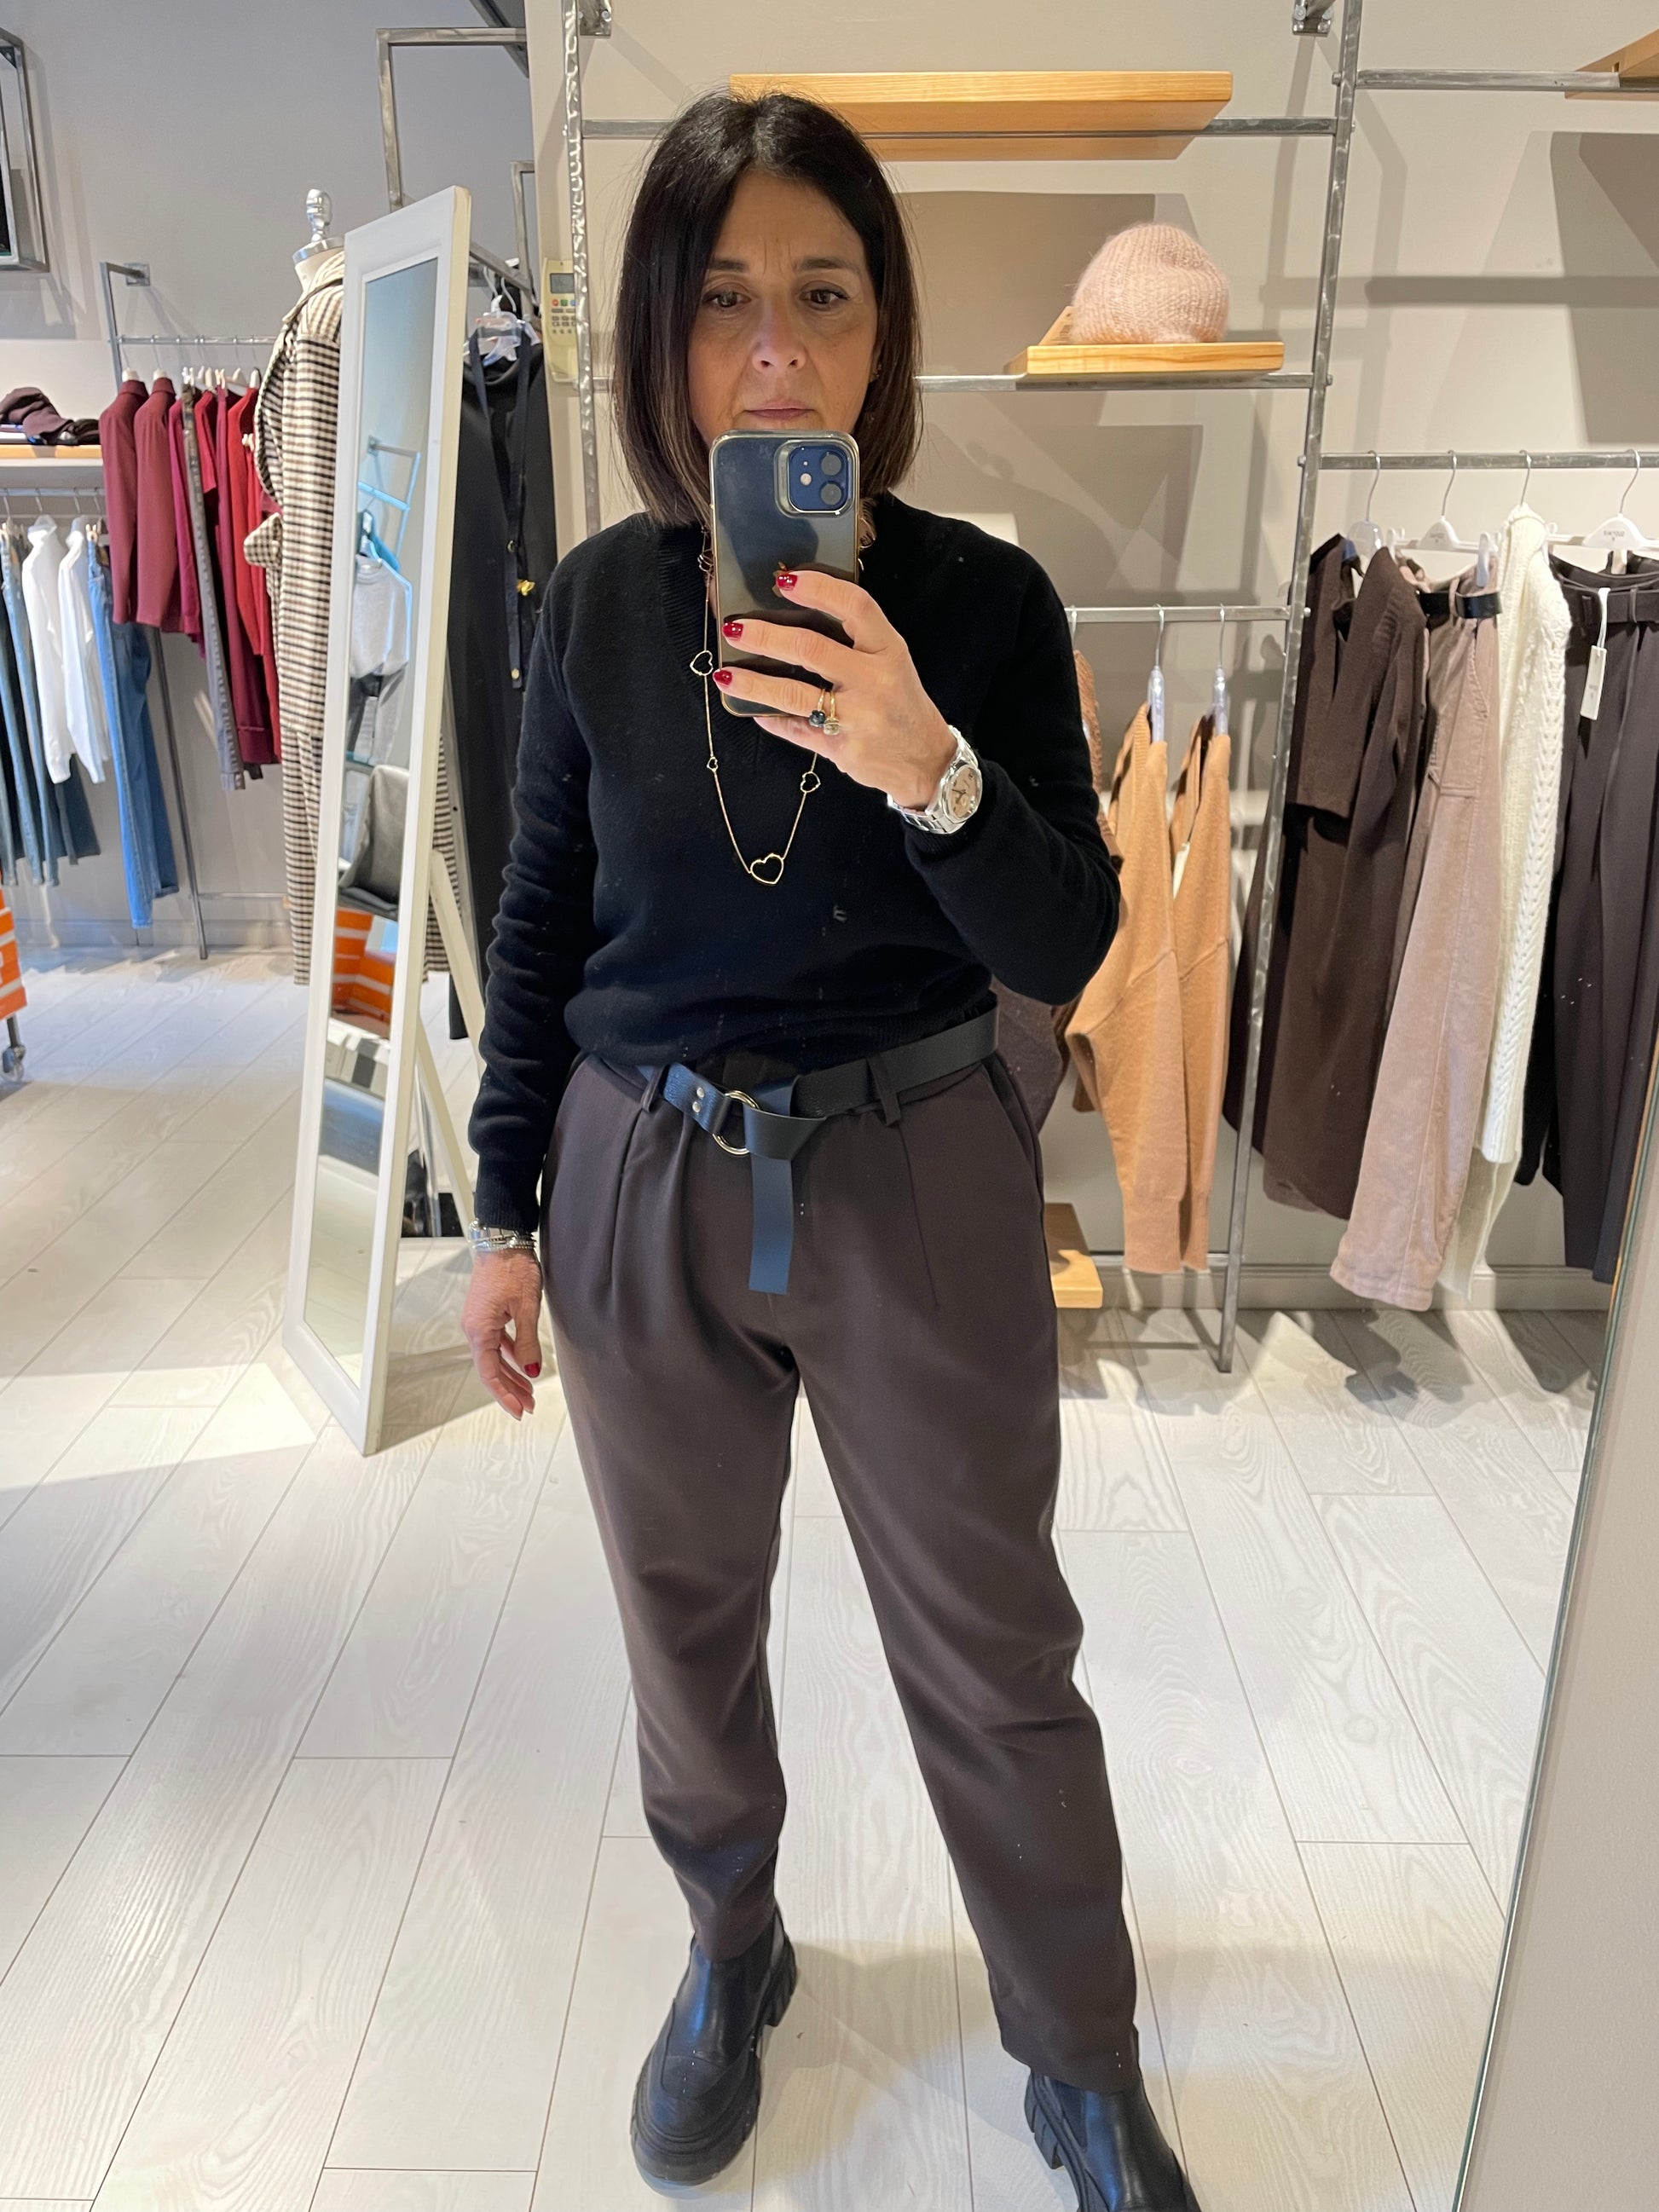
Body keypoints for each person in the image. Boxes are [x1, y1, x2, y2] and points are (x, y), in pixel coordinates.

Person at [462, 87, 1202, 2212]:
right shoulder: (597, 607)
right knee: (682, 1617)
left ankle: (1076, 2048)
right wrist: (503, 1206)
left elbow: (1066, 936)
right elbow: (539, 917)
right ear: (657, 341)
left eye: (825, 296)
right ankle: (732, 1946)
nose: (775, 353)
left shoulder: (984, 600)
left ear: (883, 336)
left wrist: (927, 759)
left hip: (915, 1164)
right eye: (723, 303)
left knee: (992, 1640)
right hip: (639, 1175)